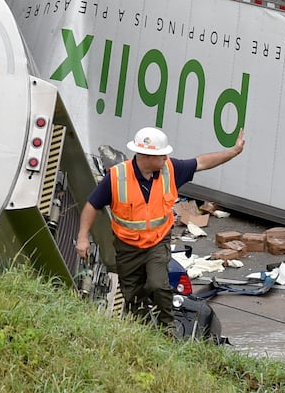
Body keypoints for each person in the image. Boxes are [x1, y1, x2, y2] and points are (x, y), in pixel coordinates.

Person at [74, 126, 246, 333]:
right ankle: (140, 330)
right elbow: (92, 205)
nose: (166, 158)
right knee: (132, 294)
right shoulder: (116, 177)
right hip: (127, 247)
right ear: (146, 156)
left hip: (157, 242)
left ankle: (168, 329)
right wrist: (83, 237)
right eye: (161, 155)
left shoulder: (170, 170)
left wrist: (233, 151)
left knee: (158, 284)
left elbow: (201, 162)